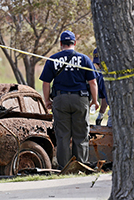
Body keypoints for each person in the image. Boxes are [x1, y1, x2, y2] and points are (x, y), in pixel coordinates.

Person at [39, 30, 99, 169]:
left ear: (60, 43)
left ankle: (64, 168)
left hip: (60, 100)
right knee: (81, 134)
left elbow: (46, 83)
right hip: (80, 99)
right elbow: (93, 82)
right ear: (75, 43)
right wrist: (95, 101)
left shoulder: (53, 59)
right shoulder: (84, 59)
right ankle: (81, 166)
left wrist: (47, 100)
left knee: (63, 136)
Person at [92, 48, 112, 127]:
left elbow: (104, 99)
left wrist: (100, 116)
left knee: (110, 136)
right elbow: (104, 99)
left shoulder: (101, 76)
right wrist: (100, 115)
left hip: (116, 112)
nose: (99, 65)